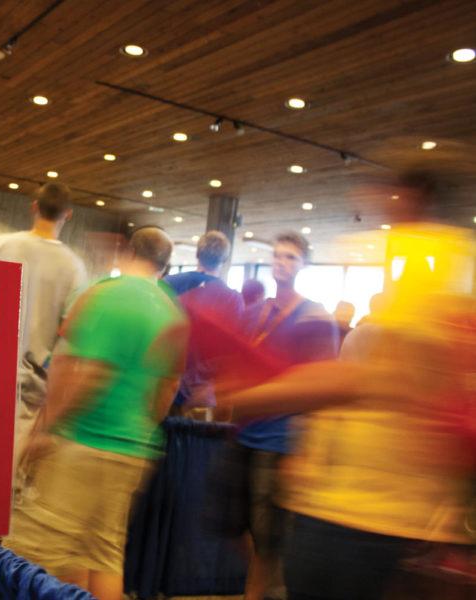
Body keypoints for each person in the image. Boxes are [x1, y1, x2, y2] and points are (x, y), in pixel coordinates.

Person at [221, 170, 476, 600]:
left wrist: (248, 398)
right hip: (350, 500)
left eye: (392, 193)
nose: (380, 201)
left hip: (371, 510)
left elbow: (365, 378)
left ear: (414, 197)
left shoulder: (431, 261)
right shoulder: (431, 264)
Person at [5, 227, 188, 600]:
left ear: (126, 253)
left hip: (80, 442)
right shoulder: (172, 310)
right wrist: (137, 428)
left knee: (35, 556)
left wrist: (45, 429)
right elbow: (168, 388)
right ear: (164, 266)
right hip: (133, 450)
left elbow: (82, 369)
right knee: (102, 555)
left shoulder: (103, 294)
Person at [234, 232, 339, 600]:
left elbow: (322, 387)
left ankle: (260, 592)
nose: (282, 262)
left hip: (278, 441)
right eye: (278, 256)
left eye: (291, 257)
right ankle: (268, 587)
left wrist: (304, 448)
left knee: (267, 540)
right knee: (232, 525)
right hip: (242, 434)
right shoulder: (255, 313)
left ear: (303, 265)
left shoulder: (314, 316)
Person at [0, 182, 87, 470]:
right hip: (28, 389)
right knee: (6, 477)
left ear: (34, 207)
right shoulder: (74, 267)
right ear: (69, 214)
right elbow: (70, 338)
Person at [163, 230, 243, 413]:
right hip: (199, 393)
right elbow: (230, 351)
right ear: (224, 260)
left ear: (197, 253)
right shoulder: (232, 299)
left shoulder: (168, 284)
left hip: (161, 383)